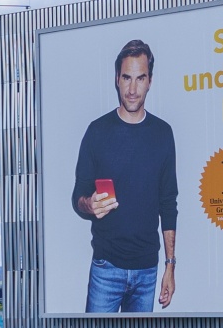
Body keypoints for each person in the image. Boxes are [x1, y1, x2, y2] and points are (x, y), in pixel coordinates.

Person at [69, 36, 178, 312]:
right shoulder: (97, 132)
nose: (132, 89)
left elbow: (168, 204)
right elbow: (77, 196)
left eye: (140, 79)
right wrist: (89, 204)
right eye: (126, 78)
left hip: (147, 271)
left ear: (150, 81)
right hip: (106, 268)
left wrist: (170, 265)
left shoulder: (163, 134)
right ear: (116, 78)